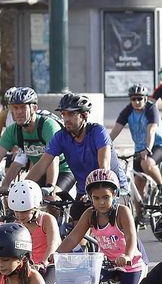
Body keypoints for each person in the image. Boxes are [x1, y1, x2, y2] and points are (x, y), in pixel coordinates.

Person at [24, 93, 121, 223]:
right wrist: (23, 187)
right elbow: (42, 165)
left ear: (84, 115)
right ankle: (85, 244)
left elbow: (104, 166)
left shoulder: (98, 132)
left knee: (110, 230)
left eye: (71, 114)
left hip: (110, 189)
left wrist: (93, 194)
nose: (66, 119)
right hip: (84, 192)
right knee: (75, 231)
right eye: (63, 114)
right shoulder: (61, 137)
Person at [55, 169, 146, 284]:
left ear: (115, 194)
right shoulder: (90, 214)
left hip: (131, 265)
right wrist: (56, 255)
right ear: (90, 197)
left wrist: (127, 256)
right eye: (96, 198)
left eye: (106, 197)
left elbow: (131, 237)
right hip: (109, 264)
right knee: (87, 276)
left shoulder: (122, 212)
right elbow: (73, 238)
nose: (101, 202)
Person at [0, 87, 63, 193]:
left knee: (52, 201)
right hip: (39, 170)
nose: (18, 112)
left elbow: (52, 158)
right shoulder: (13, 131)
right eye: (15, 107)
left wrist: (50, 186)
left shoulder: (48, 126)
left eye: (23, 107)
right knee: (19, 197)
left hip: (62, 169)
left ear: (34, 108)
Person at [107, 84, 162, 196]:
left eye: (140, 98)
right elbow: (116, 130)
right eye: (133, 99)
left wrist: (148, 149)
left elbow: (151, 130)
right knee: (138, 184)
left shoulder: (151, 108)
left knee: (147, 163)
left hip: (158, 145)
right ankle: (139, 213)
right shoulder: (128, 111)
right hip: (140, 148)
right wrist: (105, 145)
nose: (136, 101)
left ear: (145, 98)